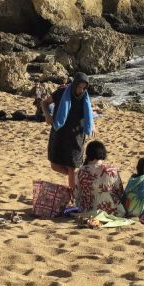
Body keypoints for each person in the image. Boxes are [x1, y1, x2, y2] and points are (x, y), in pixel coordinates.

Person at [47, 74, 95, 202]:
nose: (81, 90)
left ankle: (74, 198)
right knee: (54, 165)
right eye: (79, 87)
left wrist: (91, 127)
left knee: (72, 166)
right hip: (59, 134)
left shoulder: (84, 96)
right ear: (74, 84)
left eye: (84, 87)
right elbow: (44, 103)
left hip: (77, 136)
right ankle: (76, 179)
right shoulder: (62, 92)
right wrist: (47, 115)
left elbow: (89, 113)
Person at [74, 140, 125, 216]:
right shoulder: (112, 170)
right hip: (111, 210)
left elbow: (76, 193)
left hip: (87, 210)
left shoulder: (81, 170)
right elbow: (120, 191)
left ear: (88, 154)